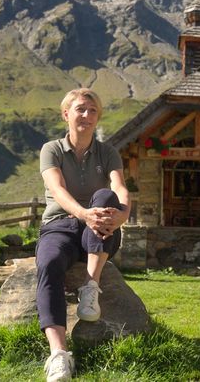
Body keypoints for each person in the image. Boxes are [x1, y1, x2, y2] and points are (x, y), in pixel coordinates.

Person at [36, 88, 130, 381]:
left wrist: (123, 214)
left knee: (104, 195)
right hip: (61, 225)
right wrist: (83, 214)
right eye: (80, 109)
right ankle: (59, 356)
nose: (86, 116)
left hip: (100, 230)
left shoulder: (108, 152)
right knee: (49, 263)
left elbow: (120, 187)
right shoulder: (51, 149)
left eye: (92, 111)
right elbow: (58, 190)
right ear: (66, 114)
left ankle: (91, 286)